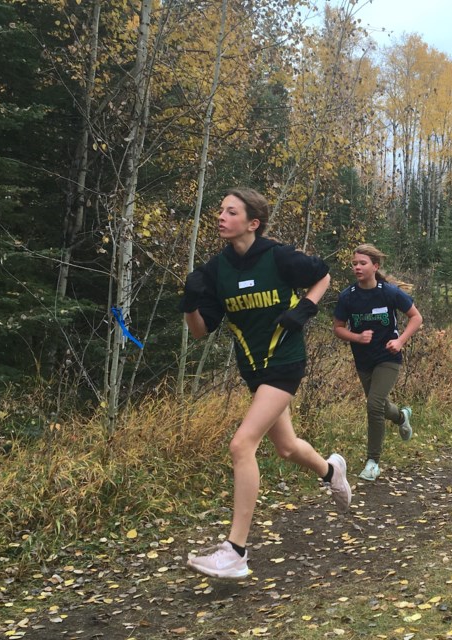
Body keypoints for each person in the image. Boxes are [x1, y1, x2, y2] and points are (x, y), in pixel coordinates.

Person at [179, 187, 351, 579]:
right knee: (287, 448)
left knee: (242, 444)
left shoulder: (279, 256)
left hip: (285, 362)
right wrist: (189, 305)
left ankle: (235, 551)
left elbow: (322, 275)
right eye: (220, 210)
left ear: (252, 222)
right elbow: (202, 331)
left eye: (231, 211)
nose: (221, 217)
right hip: (253, 369)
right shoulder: (215, 270)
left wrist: (305, 308)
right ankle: (330, 471)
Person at [333, 244, 423, 481]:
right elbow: (338, 328)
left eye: (362, 263)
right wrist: (357, 337)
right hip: (363, 360)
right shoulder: (348, 296)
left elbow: (416, 317)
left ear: (375, 266)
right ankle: (402, 416)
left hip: (388, 357)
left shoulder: (390, 293)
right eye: (354, 264)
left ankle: (373, 462)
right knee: (380, 406)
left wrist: (400, 341)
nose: (357, 268)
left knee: (373, 405)